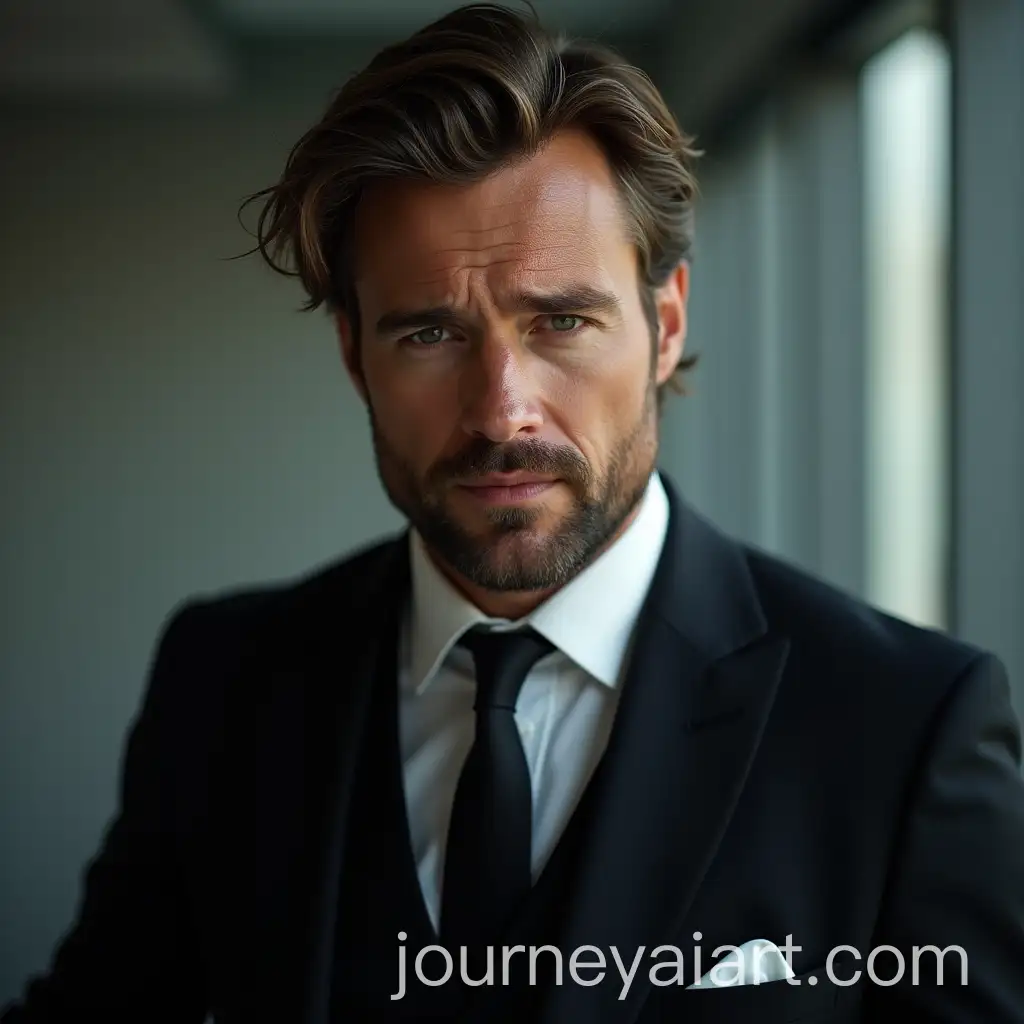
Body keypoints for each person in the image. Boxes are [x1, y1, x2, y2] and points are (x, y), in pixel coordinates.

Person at [5, 3, 1024, 1022]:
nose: (502, 409)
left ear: (663, 326)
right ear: (354, 355)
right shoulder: (225, 682)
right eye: (429, 334)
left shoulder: (904, 726)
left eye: (562, 321)